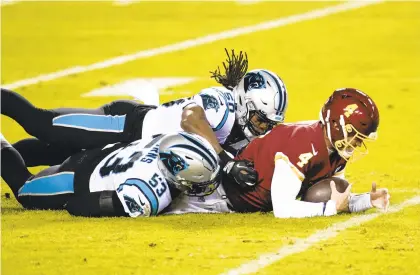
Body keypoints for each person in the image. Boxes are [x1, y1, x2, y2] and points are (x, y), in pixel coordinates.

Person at [1, 50, 288, 188]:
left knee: (53, 153)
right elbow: (191, 120)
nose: (263, 127)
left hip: (134, 153)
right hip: (124, 126)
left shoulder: (243, 134)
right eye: (261, 119)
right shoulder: (222, 103)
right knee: (41, 124)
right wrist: (226, 162)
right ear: (243, 102)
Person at [164, 88, 390, 218]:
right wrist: (329, 209)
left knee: (336, 187)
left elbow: (337, 197)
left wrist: (367, 201)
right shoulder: (302, 144)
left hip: (236, 197)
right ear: (337, 124)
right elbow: (283, 209)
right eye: (355, 136)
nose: (356, 144)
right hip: (210, 194)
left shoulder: (336, 146)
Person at [0, 132, 223, 217]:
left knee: (50, 152)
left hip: (103, 151)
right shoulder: (151, 193)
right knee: (24, 189)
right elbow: (82, 206)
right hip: (79, 177)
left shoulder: (170, 139)